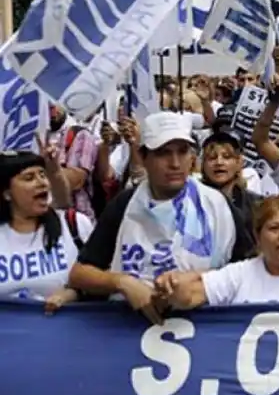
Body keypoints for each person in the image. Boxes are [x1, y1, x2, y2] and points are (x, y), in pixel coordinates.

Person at [68, 112, 253, 324]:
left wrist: (198, 282)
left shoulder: (218, 206)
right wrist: (123, 283)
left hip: (203, 330)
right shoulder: (125, 204)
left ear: (192, 157)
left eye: (182, 152)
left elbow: (249, 270)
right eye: (163, 153)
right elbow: (80, 273)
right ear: (143, 157)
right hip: (131, 330)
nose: (175, 163)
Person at [0, 148, 90, 311]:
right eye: (29, 178)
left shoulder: (74, 225)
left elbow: (103, 279)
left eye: (42, 175)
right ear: (7, 194)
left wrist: (72, 293)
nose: (42, 182)